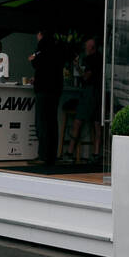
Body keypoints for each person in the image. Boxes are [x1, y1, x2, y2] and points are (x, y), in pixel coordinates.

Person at [61, 37, 103, 164]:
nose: (85, 48)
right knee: (96, 123)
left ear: (91, 47)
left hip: (89, 92)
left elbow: (85, 77)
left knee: (78, 121)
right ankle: (96, 153)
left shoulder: (90, 59)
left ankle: (70, 152)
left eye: (87, 46)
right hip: (99, 92)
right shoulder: (100, 57)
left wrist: (77, 67)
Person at [28, 30, 63, 165]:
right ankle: (52, 155)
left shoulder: (42, 47)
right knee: (52, 122)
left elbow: (38, 64)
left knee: (42, 122)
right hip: (56, 88)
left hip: (43, 88)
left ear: (40, 34)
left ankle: (42, 155)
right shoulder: (59, 46)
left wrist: (33, 59)